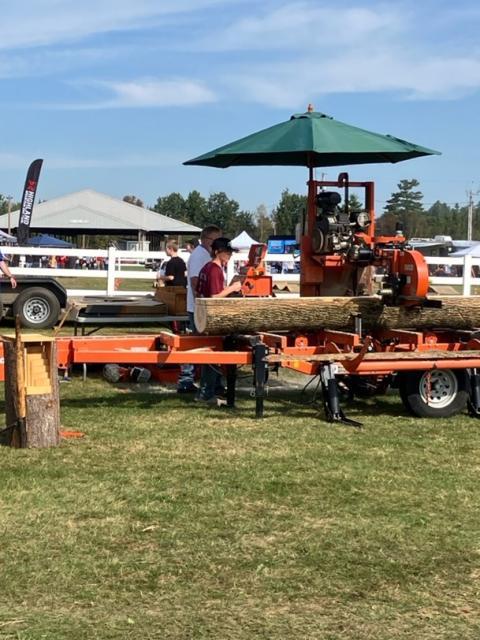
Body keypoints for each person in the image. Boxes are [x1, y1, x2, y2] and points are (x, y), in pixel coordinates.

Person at [195, 237, 242, 403]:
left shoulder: (206, 268)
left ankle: (214, 390)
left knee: (211, 358)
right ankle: (206, 394)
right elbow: (214, 296)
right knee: (212, 358)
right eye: (226, 252)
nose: (229, 255)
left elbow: (199, 292)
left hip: (203, 316)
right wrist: (233, 288)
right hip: (212, 318)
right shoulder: (214, 269)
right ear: (217, 252)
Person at [177, 225, 222, 393]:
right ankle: (186, 381)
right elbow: (195, 283)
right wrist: (203, 308)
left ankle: (212, 382)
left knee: (203, 344)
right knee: (197, 345)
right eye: (215, 241)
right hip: (198, 309)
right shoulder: (199, 256)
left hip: (201, 308)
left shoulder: (205, 255)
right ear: (205, 240)